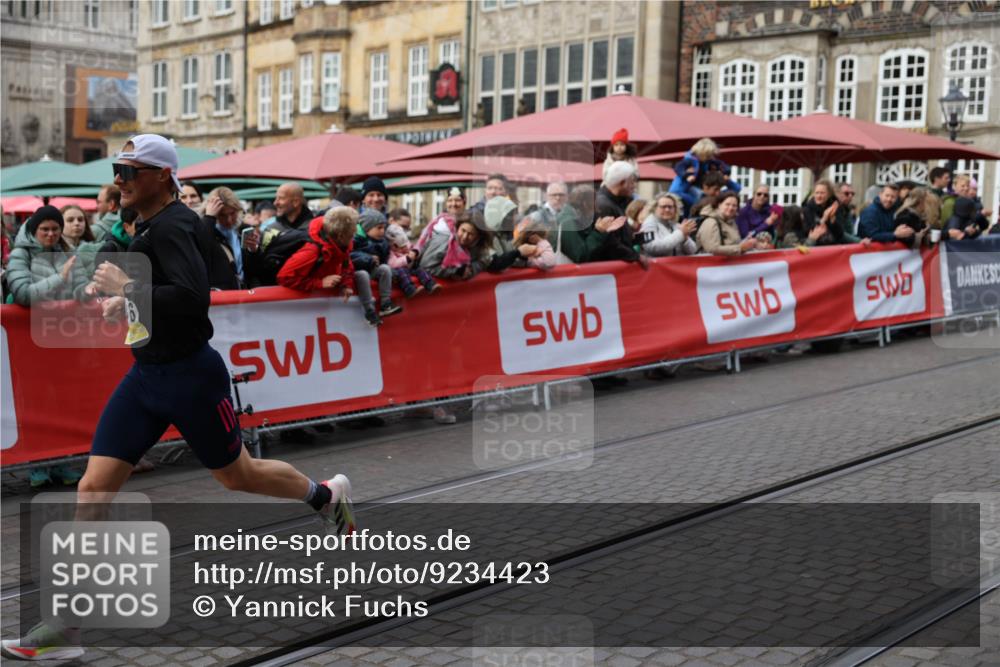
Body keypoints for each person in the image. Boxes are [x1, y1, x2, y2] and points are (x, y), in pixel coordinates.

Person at [3, 136, 358, 662]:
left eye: (129, 170)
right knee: (93, 488)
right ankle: (65, 628)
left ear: (162, 177)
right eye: (118, 170)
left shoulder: (172, 225)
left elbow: (195, 300)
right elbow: (190, 280)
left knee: (237, 475)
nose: (119, 179)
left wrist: (128, 291)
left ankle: (325, 497)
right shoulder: (152, 224)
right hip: (147, 377)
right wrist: (125, 304)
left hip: (192, 376)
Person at [5, 205, 83, 305]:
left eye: (55, 229)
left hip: (61, 318)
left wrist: (88, 289)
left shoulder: (67, 252)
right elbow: (23, 295)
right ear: (34, 231)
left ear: (61, 230)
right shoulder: (20, 254)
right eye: (45, 229)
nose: (50, 234)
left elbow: (79, 287)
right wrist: (60, 278)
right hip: (27, 319)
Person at [349, 209, 403, 318]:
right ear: (367, 227)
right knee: (363, 274)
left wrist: (393, 273)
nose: (382, 231)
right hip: (357, 273)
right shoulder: (355, 239)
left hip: (372, 271)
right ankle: (369, 311)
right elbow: (350, 255)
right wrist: (368, 258)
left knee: (385, 268)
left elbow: (384, 262)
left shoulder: (382, 242)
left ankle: (386, 305)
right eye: (379, 228)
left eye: (384, 227)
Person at [593, 161, 648, 267]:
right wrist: (636, 256)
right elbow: (609, 243)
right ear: (622, 183)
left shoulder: (615, 201)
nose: (634, 186)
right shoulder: (604, 205)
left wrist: (630, 236)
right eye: (632, 182)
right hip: (607, 270)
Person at [200, 186, 254, 288]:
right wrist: (209, 217)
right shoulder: (207, 230)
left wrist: (254, 250)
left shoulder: (243, 229)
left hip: (245, 292)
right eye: (222, 215)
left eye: (232, 213)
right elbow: (201, 245)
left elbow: (252, 268)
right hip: (221, 295)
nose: (229, 220)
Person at [670, 137, 740, 211]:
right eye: (716, 189)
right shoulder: (690, 161)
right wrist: (686, 176)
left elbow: (736, 188)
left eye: (719, 189)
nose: (718, 193)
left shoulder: (708, 163)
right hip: (685, 186)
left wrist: (726, 175)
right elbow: (678, 168)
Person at [697, 192, 762, 256]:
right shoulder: (710, 222)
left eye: (734, 205)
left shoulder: (732, 222)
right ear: (719, 205)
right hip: (711, 265)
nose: (731, 208)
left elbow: (732, 243)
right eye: (727, 204)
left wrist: (746, 243)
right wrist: (740, 248)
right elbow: (712, 248)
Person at [386, 222, 438, 296]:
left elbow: (415, 247)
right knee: (402, 272)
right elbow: (392, 263)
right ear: (393, 245)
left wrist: (415, 252)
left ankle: (430, 284)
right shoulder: (390, 252)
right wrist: (406, 258)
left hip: (411, 267)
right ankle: (410, 289)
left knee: (420, 269)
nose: (405, 248)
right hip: (401, 269)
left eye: (405, 245)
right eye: (401, 247)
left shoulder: (406, 244)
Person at [803, 179, 861, 245]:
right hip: (816, 248)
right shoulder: (808, 209)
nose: (819, 196)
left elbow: (840, 233)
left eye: (822, 193)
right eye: (817, 193)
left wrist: (832, 220)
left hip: (833, 247)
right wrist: (824, 218)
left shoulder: (836, 207)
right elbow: (811, 232)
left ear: (829, 194)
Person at [639, 193, 697, 257]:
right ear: (655, 208)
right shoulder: (648, 224)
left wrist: (685, 238)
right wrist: (680, 234)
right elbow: (653, 248)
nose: (667, 210)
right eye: (663, 207)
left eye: (670, 207)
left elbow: (692, 251)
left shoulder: (676, 225)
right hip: (657, 266)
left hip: (677, 265)